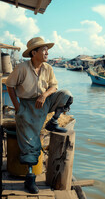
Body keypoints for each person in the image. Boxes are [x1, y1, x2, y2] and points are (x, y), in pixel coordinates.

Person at [6, 37, 73, 194]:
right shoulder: (22, 68)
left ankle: (53, 121)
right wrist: (17, 108)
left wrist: (44, 96)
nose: (47, 52)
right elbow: (10, 86)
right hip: (26, 106)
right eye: (44, 50)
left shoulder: (48, 68)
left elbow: (54, 86)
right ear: (33, 53)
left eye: (46, 50)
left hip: (43, 102)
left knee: (67, 95)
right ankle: (30, 178)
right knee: (30, 141)